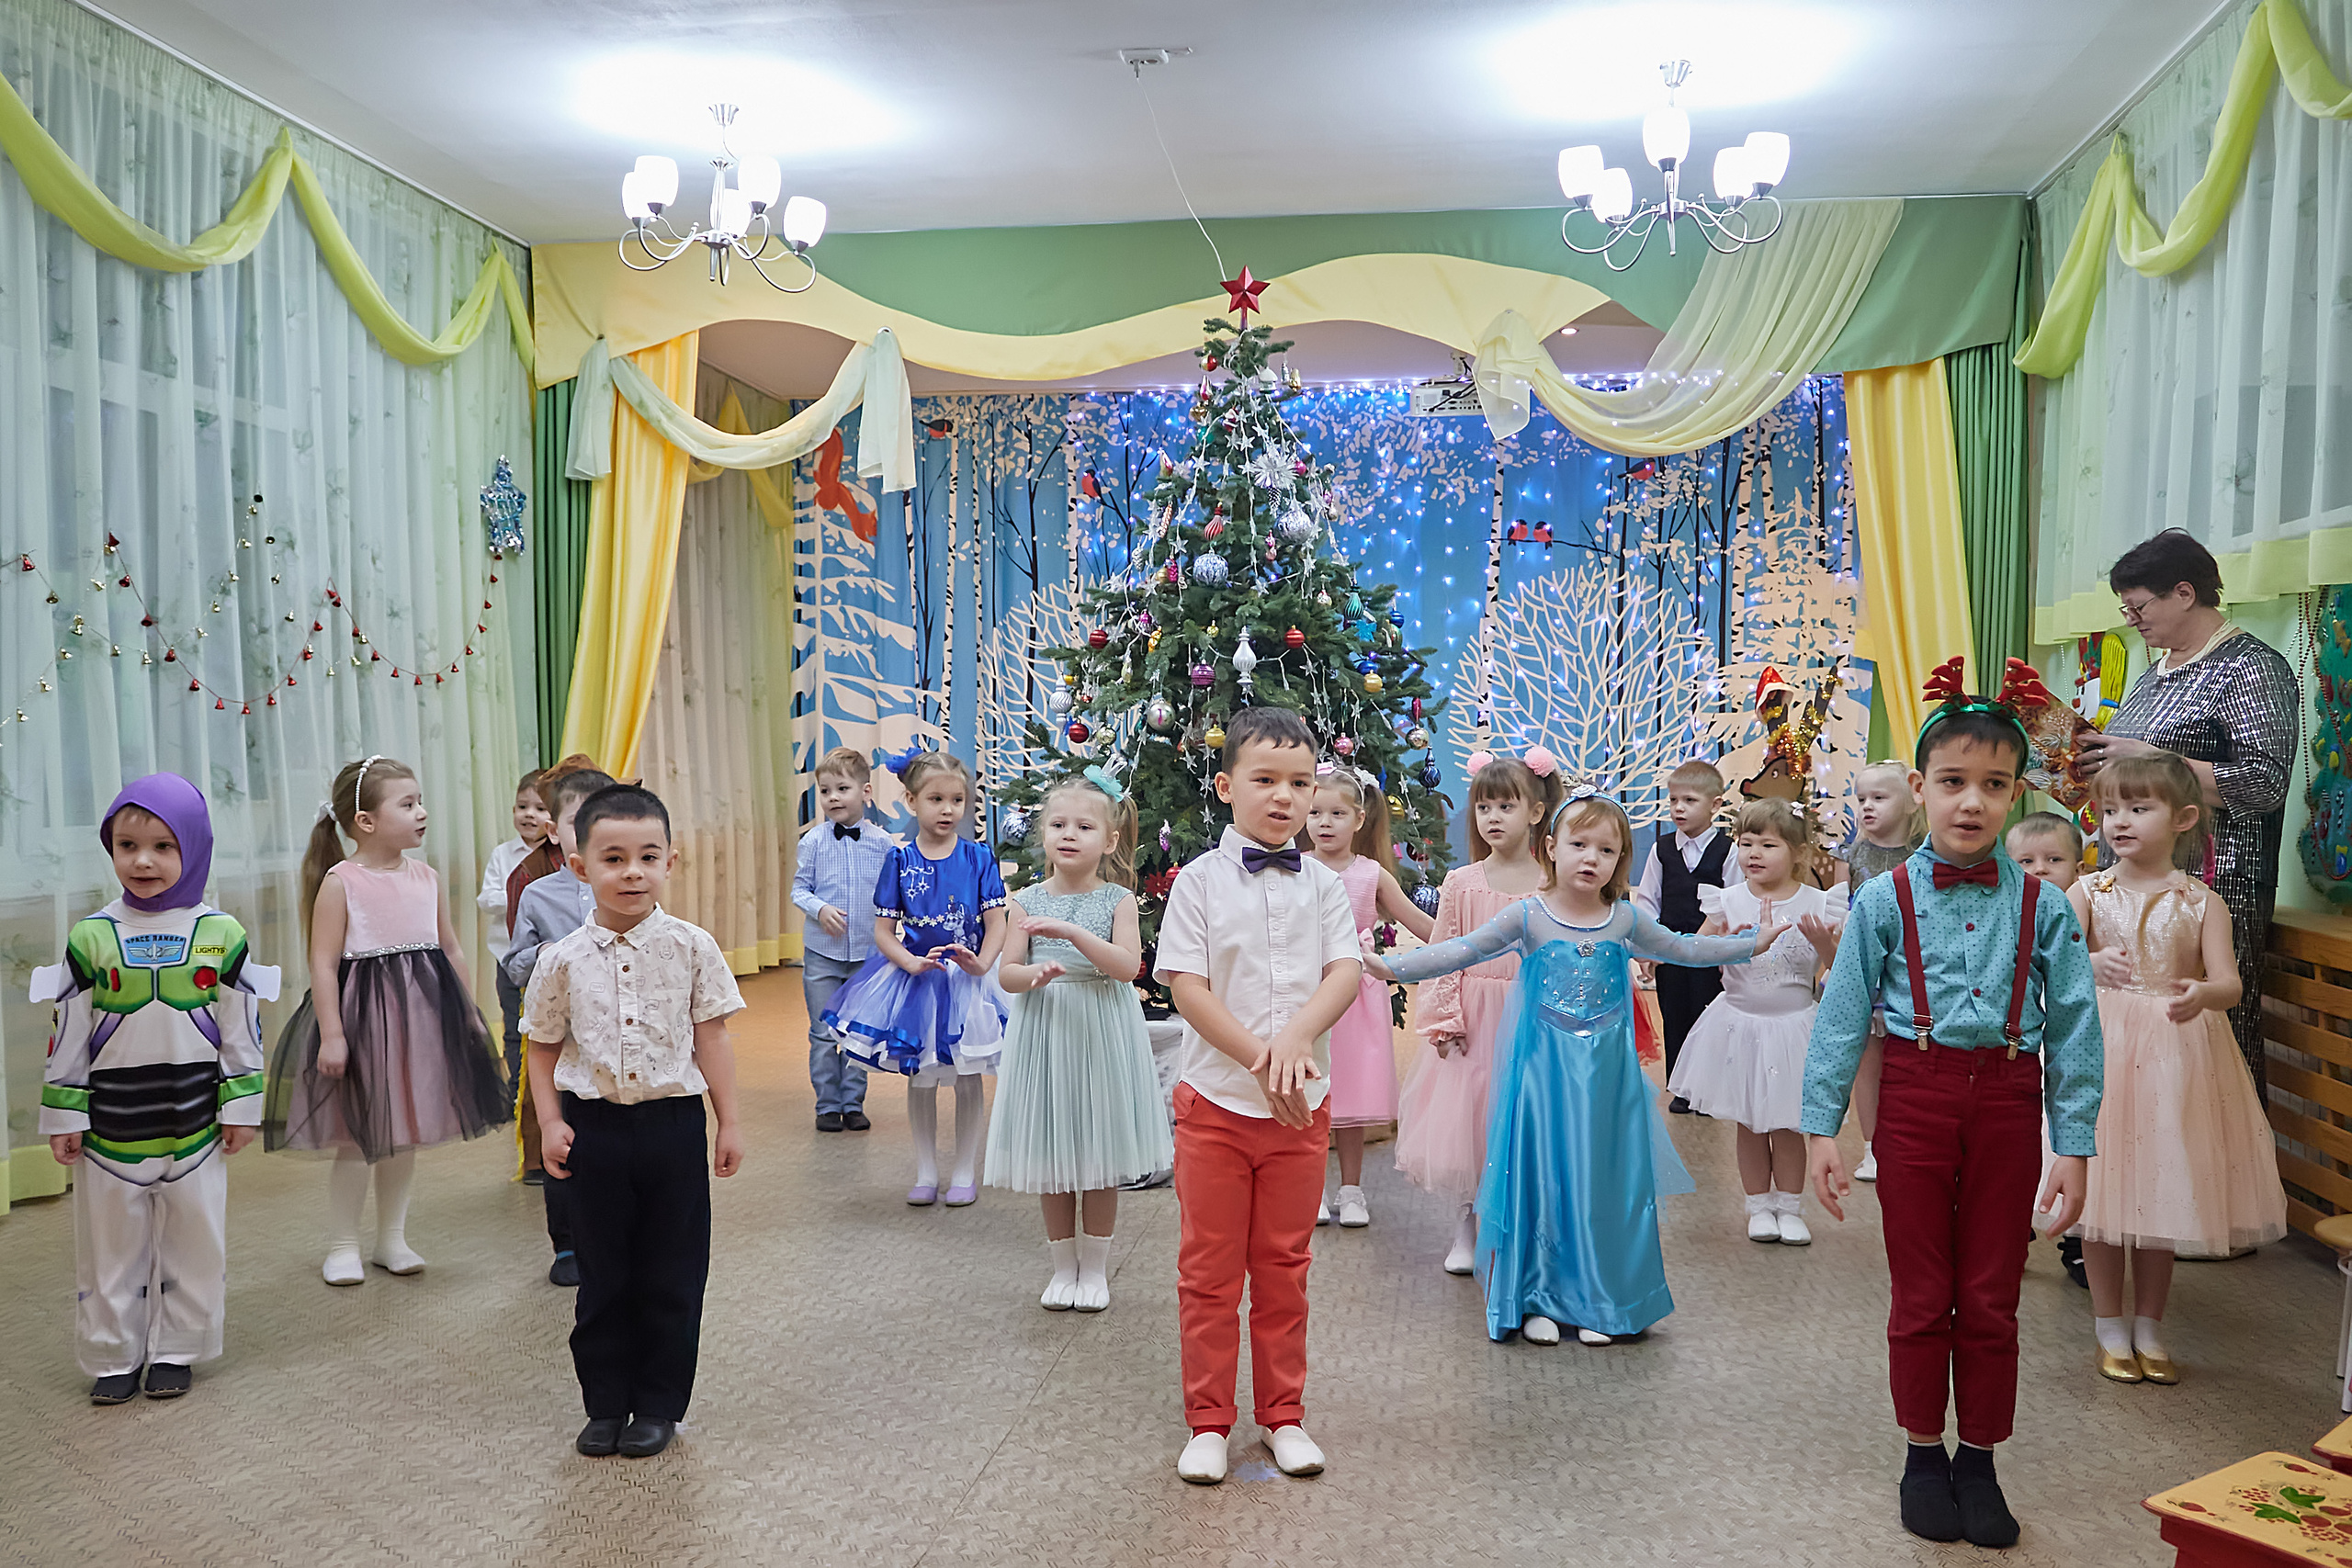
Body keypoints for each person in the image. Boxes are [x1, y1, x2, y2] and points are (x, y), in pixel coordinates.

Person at [1802, 656, 2104, 1550]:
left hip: (2010, 1102)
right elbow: (1843, 1013)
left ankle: (1979, 1459)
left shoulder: (2047, 909)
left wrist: (2073, 1143)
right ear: (1923, 787)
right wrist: (1822, 1126)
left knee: (1991, 1292)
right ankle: (1920, 1454)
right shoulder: (1880, 898)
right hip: (1917, 1097)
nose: (1970, 802)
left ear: (2015, 793)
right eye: (1952, 782)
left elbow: (2077, 1031)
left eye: (1993, 784)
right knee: (1921, 1290)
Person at [1370, 788, 1779, 1348]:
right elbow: (1459, 949)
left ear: (1620, 863)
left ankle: (1600, 1299)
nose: (1592, 858)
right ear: (1550, 849)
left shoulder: (1624, 920)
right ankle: (1536, 1296)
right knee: (1541, 1181)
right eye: (1579, 845)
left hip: (1607, 1085)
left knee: (1603, 1185)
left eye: (1607, 851)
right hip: (1541, 1081)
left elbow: (1685, 950)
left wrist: (1749, 945)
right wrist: (1388, 965)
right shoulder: (1529, 916)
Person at [1156, 707, 1363, 1486]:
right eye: (1265, 779)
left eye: (1300, 782)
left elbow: (1343, 971)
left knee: (1284, 1264)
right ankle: (1208, 1421)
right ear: (1225, 785)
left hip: (1300, 1107)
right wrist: (1260, 1058)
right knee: (1209, 1271)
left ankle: (1283, 1416)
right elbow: (1186, 983)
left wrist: (1297, 1041)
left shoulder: (1326, 885)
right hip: (1215, 1103)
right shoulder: (1200, 881)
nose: (1284, 796)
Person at [523, 783, 745, 1461]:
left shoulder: (691, 946)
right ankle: (604, 1403)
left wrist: (727, 1120)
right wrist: (552, 1122)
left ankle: (657, 1405)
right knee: (603, 1274)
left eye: (648, 856)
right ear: (579, 864)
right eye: (613, 857)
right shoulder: (560, 959)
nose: (632, 871)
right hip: (596, 1132)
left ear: (670, 861)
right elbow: (541, 1044)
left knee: (672, 1272)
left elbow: (712, 1037)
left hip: (672, 1128)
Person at [38, 775, 277, 1403]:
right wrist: (64, 1113)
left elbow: (241, 1029)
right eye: (127, 844)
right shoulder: (90, 936)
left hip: (194, 1118)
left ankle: (179, 1348)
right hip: (109, 1128)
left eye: (163, 846)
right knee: (108, 1247)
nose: (142, 860)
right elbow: (66, 1031)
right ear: (110, 848)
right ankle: (113, 1353)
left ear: (193, 848)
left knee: (194, 1237)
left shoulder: (221, 932)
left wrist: (243, 1105)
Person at [2071, 750, 2286, 1386]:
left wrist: (2200, 993)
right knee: (2104, 1192)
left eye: (2139, 808)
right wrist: (2088, 966)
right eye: (2110, 810)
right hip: (2104, 1050)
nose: (2120, 822)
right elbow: (2046, 964)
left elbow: (2229, 984)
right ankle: (2110, 1324)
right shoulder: (2087, 891)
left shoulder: (2202, 902)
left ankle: (2150, 1326)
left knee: (2161, 1194)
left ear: (2183, 816)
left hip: (2172, 1055)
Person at [266, 756, 510, 1286]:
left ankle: (392, 1238)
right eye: (408, 804)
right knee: (358, 1137)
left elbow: (449, 948)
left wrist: (467, 1010)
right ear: (366, 821)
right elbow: (324, 963)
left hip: (421, 1019)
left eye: (420, 801)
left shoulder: (427, 876)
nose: (422, 812)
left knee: (405, 1133)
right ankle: (342, 1244)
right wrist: (332, 1034)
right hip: (362, 1022)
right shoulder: (341, 881)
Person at [2075, 529, 2298, 1097]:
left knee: (2210, 1046)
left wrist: (2150, 756)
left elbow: (2263, 783)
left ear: (2183, 592)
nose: (2133, 621)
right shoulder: (2156, 673)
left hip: (2212, 881)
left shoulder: (2251, 665)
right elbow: (2139, 778)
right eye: (2126, 609)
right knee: (2132, 1045)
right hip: (2131, 880)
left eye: (2139, 606)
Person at [985, 773, 1171, 1311]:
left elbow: (1128, 967)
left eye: (1085, 826)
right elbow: (1008, 975)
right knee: (1053, 1147)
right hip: (1047, 1028)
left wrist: (1072, 935)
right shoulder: (1022, 901)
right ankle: (1062, 1268)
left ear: (1109, 840)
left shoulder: (1119, 899)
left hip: (1101, 1025)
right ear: (1044, 833)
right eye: (1059, 824)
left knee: (1098, 1149)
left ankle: (1095, 1270)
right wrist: (1034, 976)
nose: (1069, 834)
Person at [1395, 752, 1557, 1274]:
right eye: (1483, 806)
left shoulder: (1552, 885)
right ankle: (1466, 1226)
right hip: (1474, 1016)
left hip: (1529, 1017)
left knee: (1523, 1121)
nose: (1492, 817)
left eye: (1506, 806)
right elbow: (1445, 952)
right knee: (1472, 1128)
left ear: (1535, 812)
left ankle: (1520, 1229)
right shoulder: (1462, 883)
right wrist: (1443, 1019)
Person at [825, 749, 1007, 1206]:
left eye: (957, 800)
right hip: (917, 978)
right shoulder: (901, 860)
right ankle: (926, 1170)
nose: (948, 810)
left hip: (969, 980)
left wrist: (983, 963)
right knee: (920, 1075)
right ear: (911, 801)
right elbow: (882, 930)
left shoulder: (978, 857)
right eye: (936, 799)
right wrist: (907, 962)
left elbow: (998, 919)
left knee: (968, 1076)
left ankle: (965, 1170)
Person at [1668, 799, 1845, 1246]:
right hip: (1739, 1026)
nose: (1755, 853)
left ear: (1799, 853)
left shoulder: (1819, 905)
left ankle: (1790, 1207)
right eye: (1746, 843)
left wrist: (1826, 948)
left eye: (1768, 844)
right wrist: (1722, 946)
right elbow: (1696, 952)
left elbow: (1839, 975)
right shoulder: (1727, 901)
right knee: (1749, 1122)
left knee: (1787, 1124)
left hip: (1792, 1027)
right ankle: (1758, 1207)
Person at [1300, 763, 1433, 1228]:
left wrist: (1474, 944)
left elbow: (1421, 924)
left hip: (1358, 992)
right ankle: (1310, 1190)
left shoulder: (1371, 874)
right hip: (1308, 991)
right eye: (1315, 813)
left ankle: (1352, 1191)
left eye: (1337, 813)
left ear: (1358, 819)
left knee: (1352, 1098)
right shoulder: (1296, 868)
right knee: (1311, 1094)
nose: (1324, 823)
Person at [503, 767, 617, 1286]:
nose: (595, 831)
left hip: (619, 1040)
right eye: (579, 821)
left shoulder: (631, 885)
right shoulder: (538, 893)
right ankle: (567, 1243)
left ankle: (618, 1234)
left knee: (617, 1140)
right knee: (563, 1138)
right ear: (555, 832)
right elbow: (515, 962)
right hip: (561, 1041)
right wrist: (552, 954)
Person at [2007, 810, 2091, 1291]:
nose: (2039, 869)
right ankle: (2014, 1230)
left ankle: (2077, 1238)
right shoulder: (2011, 910)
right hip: (2022, 1046)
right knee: (2023, 1150)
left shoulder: (2085, 904)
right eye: (2026, 860)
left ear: (2078, 869)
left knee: (2071, 1142)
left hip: (2071, 1046)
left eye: (2053, 859)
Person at [1633, 758, 1738, 1113]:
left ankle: (1709, 1088)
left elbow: (1734, 901)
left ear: (1716, 804)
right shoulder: (1661, 850)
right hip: (1671, 951)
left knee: (1708, 1016)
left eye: (1690, 800)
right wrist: (1650, 945)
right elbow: (1648, 900)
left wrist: (1726, 952)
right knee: (1674, 1014)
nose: (1679, 808)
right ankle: (1681, 1087)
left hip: (1711, 954)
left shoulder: (1729, 850)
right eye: (1674, 799)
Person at [1838, 758, 1926, 1181]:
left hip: (1914, 973)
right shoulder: (1854, 854)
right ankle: (1873, 1147)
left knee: (1909, 1060)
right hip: (1866, 971)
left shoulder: (1924, 853)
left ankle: (1909, 1138)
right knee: (1867, 1064)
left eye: (1879, 797)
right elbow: (1844, 914)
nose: (1866, 807)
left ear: (1913, 800)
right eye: (1860, 799)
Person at [792, 747, 887, 1133]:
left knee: (857, 1032)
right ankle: (828, 1105)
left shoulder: (883, 844)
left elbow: (891, 895)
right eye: (825, 790)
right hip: (822, 954)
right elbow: (799, 890)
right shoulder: (813, 842)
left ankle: (854, 1102)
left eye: (842, 789)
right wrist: (819, 909)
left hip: (866, 952)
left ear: (865, 791)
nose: (833, 798)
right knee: (822, 1031)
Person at [478, 769, 550, 1101]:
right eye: (522, 807)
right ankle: (516, 1094)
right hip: (508, 958)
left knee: (548, 1025)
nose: (529, 815)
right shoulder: (502, 855)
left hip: (548, 957)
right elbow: (487, 899)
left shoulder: (557, 858)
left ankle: (549, 1092)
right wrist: (523, 894)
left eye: (539, 808)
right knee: (513, 1026)